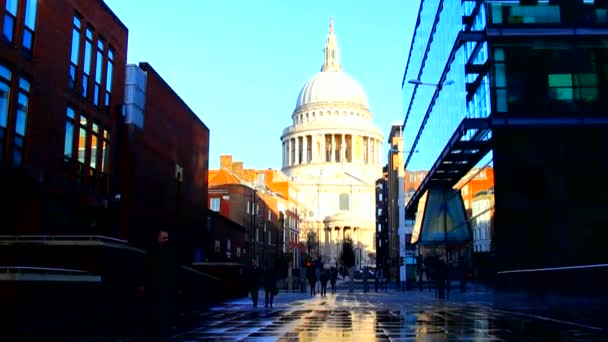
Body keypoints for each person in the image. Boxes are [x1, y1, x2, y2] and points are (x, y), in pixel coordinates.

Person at [140, 228, 180, 342]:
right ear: (158, 238)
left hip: (165, 287)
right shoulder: (152, 252)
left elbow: (175, 270)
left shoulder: (170, 252)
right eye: (164, 238)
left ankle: (161, 332)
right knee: (156, 311)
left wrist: (177, 286)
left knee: (163, 311)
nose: (166, 240)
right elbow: (146, 269)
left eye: (167, 237)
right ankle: (157, 332)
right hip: (154, 287)